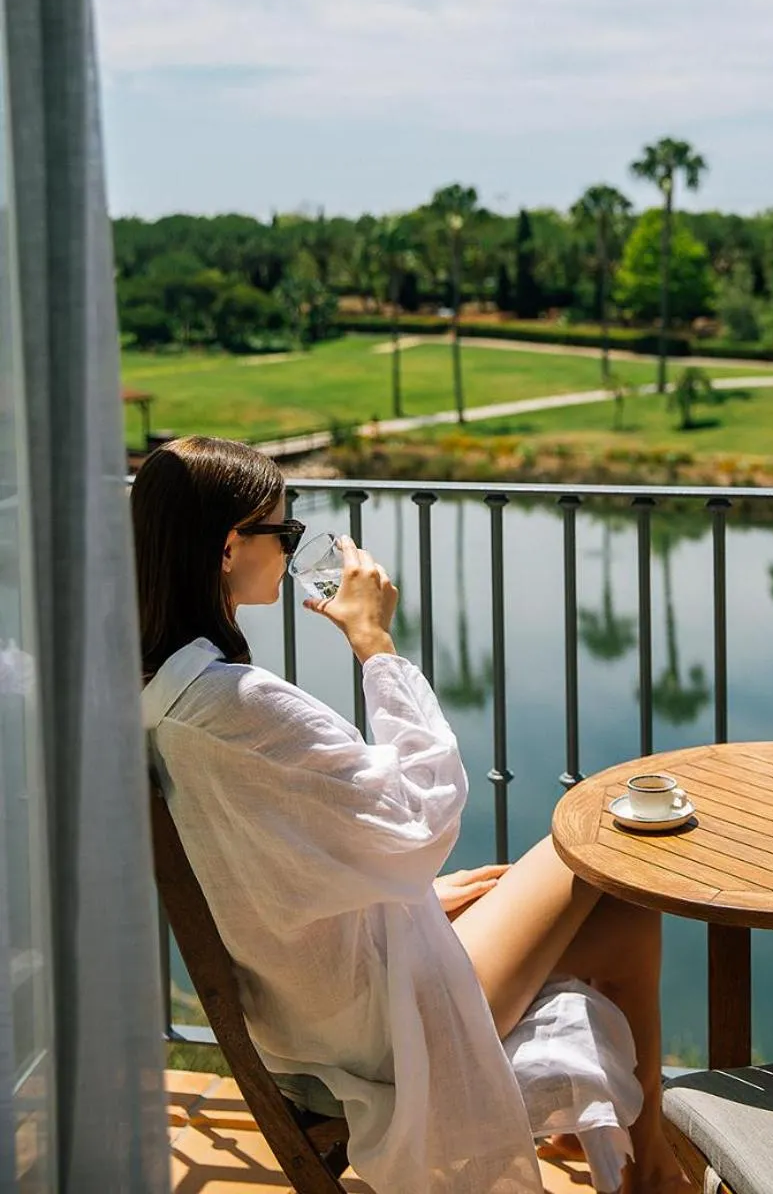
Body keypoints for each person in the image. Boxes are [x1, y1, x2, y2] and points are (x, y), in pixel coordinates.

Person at [134, 436, 691, 1194]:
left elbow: (279, 867)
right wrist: (375, 644)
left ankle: (639, 1157)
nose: (292, 549)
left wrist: (418, 900)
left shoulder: (166, 695)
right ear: (231, 547)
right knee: (600, 847)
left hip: (315, 1010)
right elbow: (423, 814)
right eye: (284, 531)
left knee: (619, 911)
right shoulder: (239, 706)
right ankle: (647, 1167)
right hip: (383, 1028)